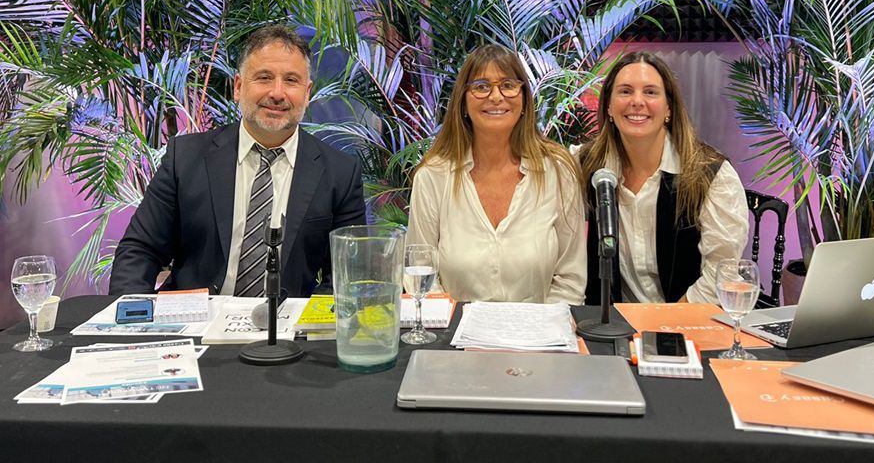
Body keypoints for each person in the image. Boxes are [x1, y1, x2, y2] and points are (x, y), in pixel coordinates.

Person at [110, 25, 366, 297]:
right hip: (197, 324)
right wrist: (132, 320)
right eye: (264, 78)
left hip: (290, 330)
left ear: (307, 93)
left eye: (291, 81)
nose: (278, 93)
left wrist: (311, 326)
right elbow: (140, 250)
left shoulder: (339, 172)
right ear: (238, 87)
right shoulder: (185, 158)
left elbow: (348, 272)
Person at [406, 45, 586, 304]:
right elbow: (420, 274)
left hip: (537, 337)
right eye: (481, 86)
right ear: (463, 103)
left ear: (524, 99)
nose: (496, 96)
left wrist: (538, 333)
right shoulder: (433, 176)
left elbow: (570, 279)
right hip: (455, 337)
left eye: (508, 85)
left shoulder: (558, 171)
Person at [575, 52, 748, 304]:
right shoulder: (585, 164)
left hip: (687, 325)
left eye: (650, 92)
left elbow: (722, 273)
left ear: (669, 108)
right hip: (612, 328)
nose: (637, 101)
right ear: (609, 108)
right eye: (625, 91)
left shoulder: (710, 174)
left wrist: (664, 327)